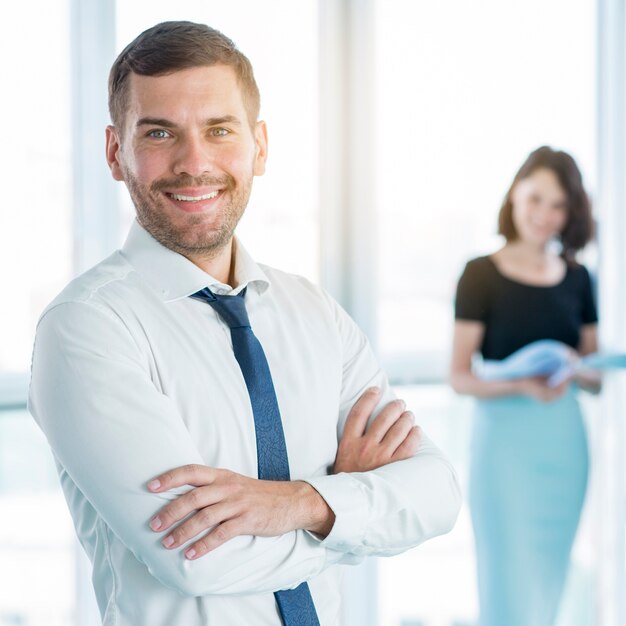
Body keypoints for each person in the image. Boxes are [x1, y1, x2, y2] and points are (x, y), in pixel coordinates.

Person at [28, 21, 461, 626]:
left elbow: (437, 495)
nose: (193, 162)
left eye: (219, 129)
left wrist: (300, 502)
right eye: (159, 132)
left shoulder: (312, 311)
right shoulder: (87, 327)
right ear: (114, 152)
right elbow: (199, 558)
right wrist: (351, 512)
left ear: (259, 146)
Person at [450, 146, 598, 626]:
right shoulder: (480, 274)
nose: (544, 215)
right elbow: (460, 377)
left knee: (550, 580)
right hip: (504, 447)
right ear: (515, 192)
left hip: (565, 445)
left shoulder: (579, 279)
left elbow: (594, 377)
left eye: (558, 206)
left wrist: (576, 367)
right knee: (504, 577)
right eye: (536, 199)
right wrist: (522, 387)